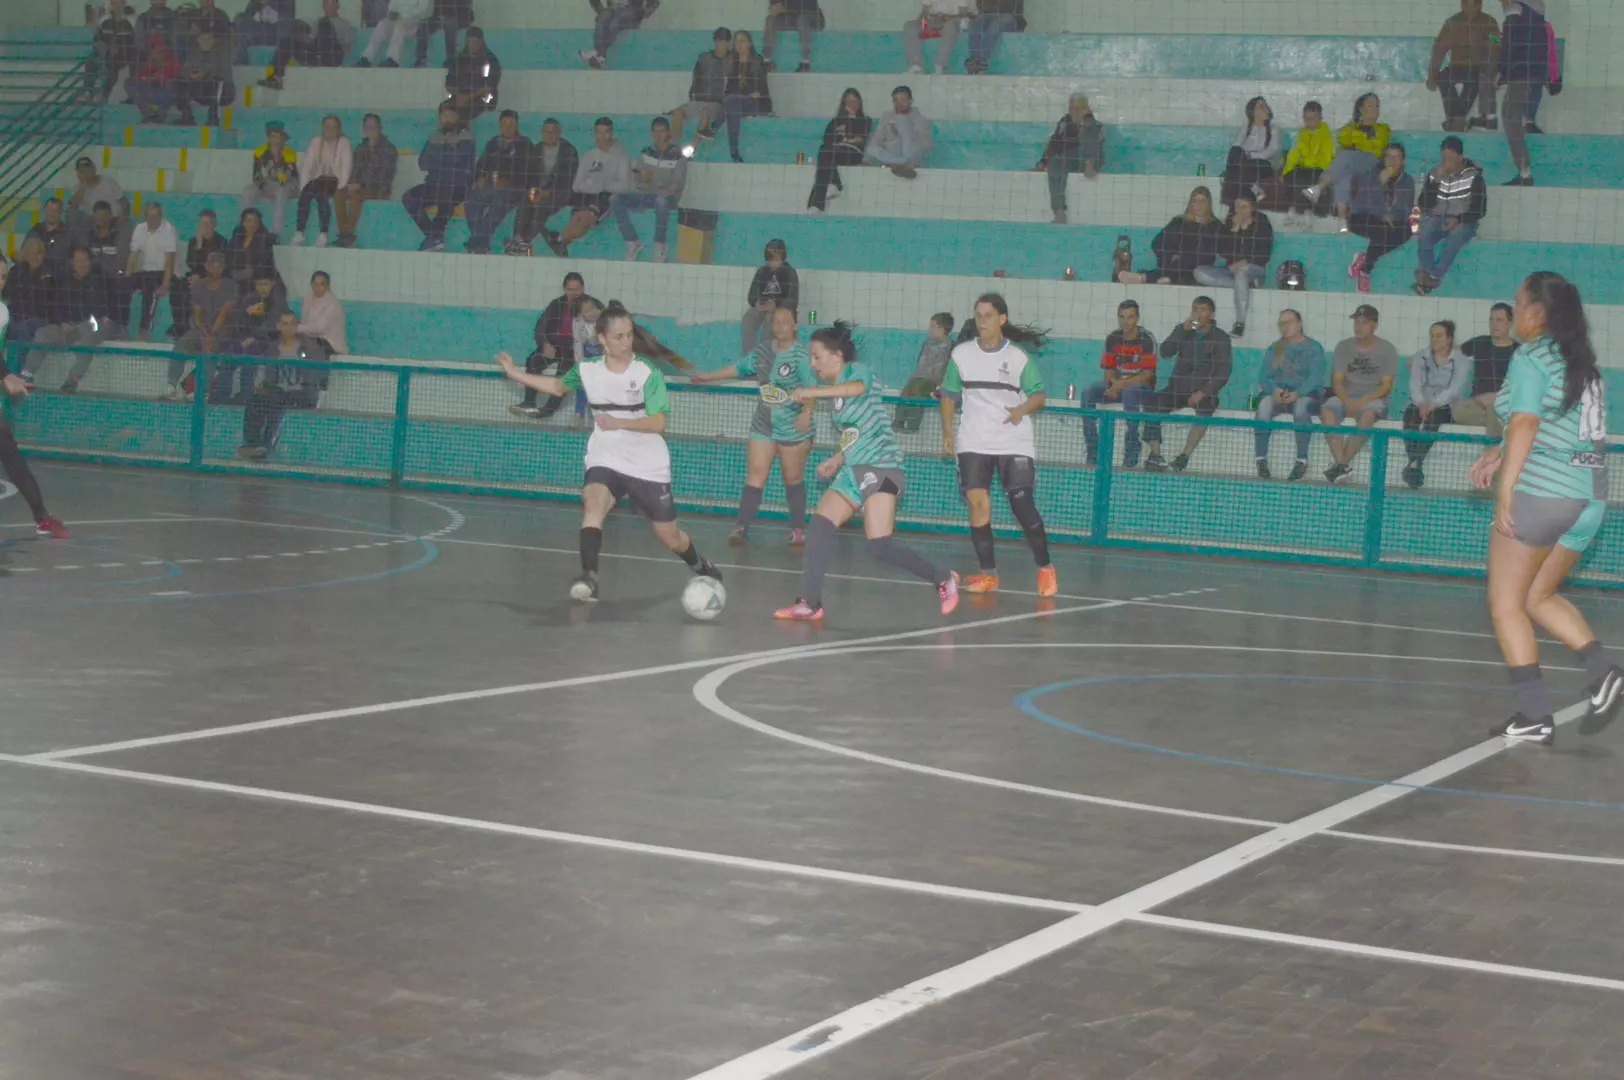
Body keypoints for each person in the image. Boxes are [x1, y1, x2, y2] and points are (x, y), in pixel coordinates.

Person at [1472, 271, 1622, 744]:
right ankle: (1603, 672)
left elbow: (1526, 423)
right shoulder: (1582, 363)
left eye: (1518, 305)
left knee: (1505, 603)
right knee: (1537, 595)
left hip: (1543, 493)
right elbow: (1557, 424)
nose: (1514, 314)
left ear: (1537, 312)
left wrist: (1506, 488)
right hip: (1590, 495)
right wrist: (1497, 452)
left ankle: (1536, 715)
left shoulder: (1532, 355)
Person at [494, 301, 721, 602]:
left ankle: (700, 564)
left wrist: (619, 421)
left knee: (670, 537)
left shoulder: (646, 373)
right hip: (606, 455)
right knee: (593, 504)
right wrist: (515, 374)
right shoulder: (587, 370)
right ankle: (590, 578)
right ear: (601, 338)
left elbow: (659, 422)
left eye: (629, 335)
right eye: (618, 337)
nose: (626, 342)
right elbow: (557, 386)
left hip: (647, 463)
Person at [776, 322, 959, 621]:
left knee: (879, 546)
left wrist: (811, 392)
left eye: (817, 357)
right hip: (852, 468)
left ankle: (942, 577)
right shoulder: (835, 398)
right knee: (820, 526)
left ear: (837, 356)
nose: (813, 364)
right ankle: (810, 603)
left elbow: (857, 390)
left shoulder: (858, 372)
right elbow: (856, 431)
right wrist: (837, 459)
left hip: (881, 464)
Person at [939, 294, 1056, 598]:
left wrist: (1020, 410)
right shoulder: (961, 355)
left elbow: (1038, 394)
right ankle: (987, 573)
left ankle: (1045, 566)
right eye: (978, 315)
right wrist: (948, 434)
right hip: (973, 439)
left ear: (1002, 319)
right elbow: (949, 395)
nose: (982, 321)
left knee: (1021, 504)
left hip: (1012, 440)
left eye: (988, 315)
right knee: (978, 504)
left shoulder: (1018, 358)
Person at [690, 305, 816, 546]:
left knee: (793, 477)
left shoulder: (801, 357)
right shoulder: (762, 352)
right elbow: (738, 368)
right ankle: (741, 527)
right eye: (776, 321)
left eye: (785, 321)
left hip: (792, 428)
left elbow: (811, 389)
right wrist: (707, 376)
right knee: (756, 474)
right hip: (763, 424)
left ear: (795, 325)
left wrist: (807, 413)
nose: (779, 326)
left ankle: (799, 529)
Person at [0, 254, 71, 540]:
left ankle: (42, 517)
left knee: (10, 454)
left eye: (3, 277)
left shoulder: (2, 313)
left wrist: (7, 375)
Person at [1141, 296, 1232, 473]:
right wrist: (1181, 331)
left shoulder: (1221, 338)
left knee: (1205, 411)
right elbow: (1166, 352)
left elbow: (1223, 372)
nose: (1198, 313)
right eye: (1195, 309)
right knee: (1152, 403)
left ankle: (1184, 456)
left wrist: (1203, 392)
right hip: (1178, 388)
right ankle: (1155, 454)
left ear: (1211, 314)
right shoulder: (1183, 331)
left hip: (1204, 392)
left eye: (1203, 309)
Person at [22, 247, 120, 393]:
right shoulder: (61, 282)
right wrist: (62, 322)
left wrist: (104, 317)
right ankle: (26, 376)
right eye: (78, 261)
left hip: (90, 324)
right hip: (66, 327)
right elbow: (52, 307)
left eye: (85, 260)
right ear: (72, 263)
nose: (82, 264)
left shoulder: (100, 282)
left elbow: (106, 307)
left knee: (90, 334)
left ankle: (72, 380)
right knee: (43, 333)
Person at [1322, 304, 1399, 484]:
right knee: (1327, 411)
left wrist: (1362, 400)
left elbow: (1386, 386)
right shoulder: (1343, 347)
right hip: (1345, 396)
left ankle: (1340, 464)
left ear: (1375, 325)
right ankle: (1342, 466)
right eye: (1356, 322)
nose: (1358, 327)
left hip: (1372, 398)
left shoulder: (1387, 349)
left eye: (1364, 323)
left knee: (1367, 416)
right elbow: (1337, 382)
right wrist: (1347, 400)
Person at [238, 309, 328, 459]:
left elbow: (322, 371)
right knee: (255, 401)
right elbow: (267, 373)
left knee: (277, 403)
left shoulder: (310, 347)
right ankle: (251, 443)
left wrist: (309, 383)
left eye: (292, 324)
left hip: (302, 393)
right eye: (285, 324)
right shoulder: (273, 348)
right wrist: (263, 385)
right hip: (278, 391)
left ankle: (266, 446)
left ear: (297, 325)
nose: (288, 328)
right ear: (279, 326)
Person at [1253, 309, 1327, 480]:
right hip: (1280, 393)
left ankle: (1302, 459)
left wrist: (1298, 393)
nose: (1284, 327)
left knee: (1301, 408)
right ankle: (1260, 459)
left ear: (1299, 324)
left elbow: (1315, 378)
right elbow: (1263, 377)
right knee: (1264, 405)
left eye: (1289, 322)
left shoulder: (1314, 348)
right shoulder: (1275, 348)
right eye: (1282, 323)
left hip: (1307, 394)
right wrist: (1274, 390)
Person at [1082, 299, 1157, 468]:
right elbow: (1108, 370)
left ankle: (1132, 450)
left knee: (1131, 392)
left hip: (1141, 388)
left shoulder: (1146, 339)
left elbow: (1146, 375)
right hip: (1118, 385)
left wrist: (1118, 385)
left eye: (1129, 317)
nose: (1125, 321)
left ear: (1137, 318)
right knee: (1088, 393)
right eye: (1121, 317)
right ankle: (1094, 450)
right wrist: (1113, 384)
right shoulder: (1113, 338)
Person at [1401, 319, 1473, 489]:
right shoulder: (1421, 356)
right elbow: (1414, 384)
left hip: (1445, 406)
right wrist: (1420, 403)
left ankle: (1414, 461)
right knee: (1409, 416)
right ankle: (1415, 464)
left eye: (1439, 336)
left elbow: (1454, 390)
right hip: (1421, 404)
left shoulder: (1461, 361)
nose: (1434, 339)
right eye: (1432, 336)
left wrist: (1432, 404)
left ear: (1449, 339)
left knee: (1434, 419)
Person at [1414, 135, 1486, 296]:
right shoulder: (1434, 174)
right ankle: (1425, 275)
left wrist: (1458, 219)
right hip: (1438, 218)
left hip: (1464, 221)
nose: (1447, 162)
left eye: (1451, 157)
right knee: (1424, 233)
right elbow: (1423, 204)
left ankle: (1434, 276)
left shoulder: (1474, 177)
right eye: (1444, 157)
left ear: (1461, 158)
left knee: (1455, 237)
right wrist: (1435, 182)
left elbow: (1480, 209)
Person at [1303, 93, 1390, 228]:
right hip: (1352, 166)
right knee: (1344, 176)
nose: (1375, 109)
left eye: (1377, 106)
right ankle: (1343, 223)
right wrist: (1361, 141)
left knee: (1346, 156)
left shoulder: (1383, 128)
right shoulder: (1351, 127)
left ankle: (1319, 187)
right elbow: (1343, 138)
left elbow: (1377, 147)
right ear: (1361, 109)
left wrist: (1357, 142)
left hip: (1371, 163)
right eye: (1371, 105)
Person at [549, 117, 629, 257]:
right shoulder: (588, 156)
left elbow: (624, 186)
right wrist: (591, 185)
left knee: (585, 218)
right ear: (595, 134)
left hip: (604, 197)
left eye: (606, 132)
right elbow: (576, 185)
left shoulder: (620, 157)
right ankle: (561, 242)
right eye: (599, 132)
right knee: (577, 217)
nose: (602, 137)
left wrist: (603, 184)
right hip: (585, 195)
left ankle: (559, 238)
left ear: (611, 134)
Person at [1195, 193, 1272, 338]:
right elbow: (1223, 251)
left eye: (1244, 207)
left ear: (1252, 208)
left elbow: (1265, 253)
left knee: (1242, 272)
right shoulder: (1230, 222)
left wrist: (1245, 261)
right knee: (1199, 272)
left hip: (1254, 270)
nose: (1240, 211)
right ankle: (1243, 285)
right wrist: (1235, 229)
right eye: (1237, 207)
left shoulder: (1262, 222)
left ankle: (1240, 323)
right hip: (1231, 271)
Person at [510, 273, 587, 418]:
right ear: (565, 289)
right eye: (570, 290)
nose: (573, 293)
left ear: (582, 289)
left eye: (576, 289)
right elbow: (541, 327)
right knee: (533, 361)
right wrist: (545, 344)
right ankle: (529, 402)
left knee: (563, 373)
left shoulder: (590, 305)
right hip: (555, 346)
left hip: (575, 350)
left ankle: (549, 409)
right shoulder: (556, 304)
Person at [612, 116, 686, 263]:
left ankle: (660, 245)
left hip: (668, 198)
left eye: (662, 131)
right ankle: (632, 241)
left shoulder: (678, 156)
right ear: (652, 133)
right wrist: (646, 182)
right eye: (655, 131)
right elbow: (638, 181)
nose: (659, 135)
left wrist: (653, 185)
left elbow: (676, 183)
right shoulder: (645, 153)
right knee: (615, 199)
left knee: (661, 201)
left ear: (668, 133)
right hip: (647, 194)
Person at [402, 102, 474, 251]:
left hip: (458, 186)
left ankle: (434, 237)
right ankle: (434, 237)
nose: (447, 119)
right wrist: (447, 156)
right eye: (444, 115)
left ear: (457, 117)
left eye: (451, 115)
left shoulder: (466, 137)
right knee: (409, 198)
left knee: (445, 195)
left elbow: (458, 162)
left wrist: (438, 158)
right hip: (434, 184)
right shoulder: (434, 136)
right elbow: (423, 163)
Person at [463, 109, 536, 255]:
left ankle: (480, 241)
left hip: (516, 188)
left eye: (511, 124)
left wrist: (508, 179)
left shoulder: (526, 145)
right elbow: (482, 164)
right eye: (504, 124)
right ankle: (479, 240)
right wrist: (480, 177)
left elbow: (530, 173)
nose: (507, 127)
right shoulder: (494, 143)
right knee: (471, 197)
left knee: (500, 198)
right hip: (492, 186)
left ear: (517, 125)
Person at [1346, 142, 1415, 294]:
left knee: (1407, 231)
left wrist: (1391, 216)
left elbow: (1406, 208)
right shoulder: (1370, 175)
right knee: (1381, 231)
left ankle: (1364, 260)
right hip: (1362, 217)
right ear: (1383, 159)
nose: (1392, 161)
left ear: (1403, 161)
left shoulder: (1408, 181)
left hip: (1389, 221)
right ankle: (1365, 272)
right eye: (1389, 156)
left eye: (1397, 157)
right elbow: (1362, 204)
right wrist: (1379, 184)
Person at [1117, 187, 1220, 286]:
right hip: (1173, 264)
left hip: (1197, 267)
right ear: (1190, 204)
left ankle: (1146, 277)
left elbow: (1210, 251)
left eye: (1202, 201)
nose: (1199, 205)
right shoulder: (1178, 222)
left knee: (1190, 256)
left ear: (1208, 204)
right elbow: (1157, 242)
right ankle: (1165, 276)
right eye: (1195, 201)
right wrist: (1172, 254)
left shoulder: (1214, 226)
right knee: (1174, 256)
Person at [508, 118, 579, 256]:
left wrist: (546, 192)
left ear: (559, 133)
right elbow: (530, 175)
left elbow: (568, 180)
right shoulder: (537, 149)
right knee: (525, 201)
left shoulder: (569, 151)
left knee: (542, 205)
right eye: (546, 132)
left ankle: (525, 241)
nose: (549, 135)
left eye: (553, 132)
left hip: (559, 194)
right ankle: (517, 238)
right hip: (538, 191)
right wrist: (535, 191)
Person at [170, 250, 236, 397]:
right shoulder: (199, 285)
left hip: (222, 332)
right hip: (201, 331)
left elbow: (223, 313)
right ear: (207, 266)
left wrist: (211, 334)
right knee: (182, 342)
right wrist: (204, 332)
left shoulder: (230, 286)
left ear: (223, 268)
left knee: (209, 350)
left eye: (219, 266)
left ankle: (202, 390)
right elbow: (197, 312)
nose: (215, 269)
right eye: (212, 265)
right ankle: (171, 384)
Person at [1429, 0, 1500, 132]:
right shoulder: (1452, 23)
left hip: (1478, 65)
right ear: (1462, 5)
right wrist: (1432, 75)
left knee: (1473, 81)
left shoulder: (1488, 22)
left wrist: (1491, 41)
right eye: (1467, 4)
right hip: (1457, 65)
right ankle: (1455, 118)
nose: (1470, 9)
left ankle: (1456, 121)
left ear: (1480, 5)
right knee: (1443, 78)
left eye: (1474, 5)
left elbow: (1497, 42)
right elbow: (1440, 49)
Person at [1499, 0, 1549, 186]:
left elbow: (1509, 42)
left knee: (1510, 118)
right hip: (1534, 72)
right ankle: (1524, 171)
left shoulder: (1515, 10)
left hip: (1521, 73)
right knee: (1514, 117)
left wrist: (1502, 70)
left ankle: (1525, 172)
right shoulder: (1536, 14)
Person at [1036, 92, 1104, 225]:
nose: (1073, 112)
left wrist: (1086, 123)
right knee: (1055, 164)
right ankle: (1059, 211)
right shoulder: (1065, 122)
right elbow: (1054, 143)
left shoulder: (1096, 125)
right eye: (1071, 108)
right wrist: (1043, 162)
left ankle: (1089, 164)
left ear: (1085, 109)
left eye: (1077, 109)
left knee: (1089, 136)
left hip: (1092, 158)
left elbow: (1097, 146)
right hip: (1072, 159)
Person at [335, 113, 397, 248]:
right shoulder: (361, 148)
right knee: (339, 194)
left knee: (356, 196)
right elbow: (355, 169)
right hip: (359, 186)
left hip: (379, 188)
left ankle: (348, 234)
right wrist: (351, 183)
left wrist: (360, 184)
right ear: (364, 129)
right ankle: (343, 233)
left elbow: (385, 175)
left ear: (380, 128)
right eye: (368, 127)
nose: (371, 130)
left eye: (374, 127)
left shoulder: (388, 148)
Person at [261, 0, 354, 89]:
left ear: (337, 6)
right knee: (287, 42)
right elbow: (311, 41)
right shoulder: (318, 21)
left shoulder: (344, 24)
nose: (326, 6)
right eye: (325, 4)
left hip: (332, 56)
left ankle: (323, 57)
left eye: (330, 3)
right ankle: (276, 78)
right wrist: (298, 38)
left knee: (325, 23)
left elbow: (347, 48)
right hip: (315, 56)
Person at [1455, 302, 1516, 436]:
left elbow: (1522, 385)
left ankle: (1493, 452)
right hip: (1477, 405)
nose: (1495, 324)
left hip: (1505, 404)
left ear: (1510, 323)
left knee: (1496, 410)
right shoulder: (1479, 343)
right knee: (1457, 411)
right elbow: (1449, 352)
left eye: (1499, 320)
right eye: (1491, 320)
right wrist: (1421, 357)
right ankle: (1497, 422)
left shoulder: (1519, 351)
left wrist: (1496, 398)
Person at [292, 115, 353, 248]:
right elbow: (307, 164)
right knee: (306, 193)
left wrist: (341, 187)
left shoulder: (344, 142)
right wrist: (303, 185)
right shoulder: (316, 141)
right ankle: (299, 231)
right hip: (319, 178)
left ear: (339, 129)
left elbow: (346, 167)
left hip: (335, 180)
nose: (330, 130)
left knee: (322, 194)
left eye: (333, 127)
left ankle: (324, 233)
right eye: (327, 127)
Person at [807, 88, 871, 213]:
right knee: (825, 155)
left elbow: (860, 138)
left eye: (855, 102)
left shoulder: (865, 120)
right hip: (835, 153)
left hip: (852, 154)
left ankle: (817, 202)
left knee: (824, 158)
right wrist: (842, 132)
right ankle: (832, 186)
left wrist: (844, 136)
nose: (852, 105)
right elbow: (827, 140)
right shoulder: (835, 121)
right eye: (849, 102)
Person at [1, 240, 57, 378]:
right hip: (17, 317)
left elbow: (55, 301)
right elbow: (7, 295)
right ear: (26, 254)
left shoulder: (50, 274)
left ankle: (14, 374)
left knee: (23, 330)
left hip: (40, 319)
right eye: (33, 253)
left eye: (40, 253)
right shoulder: (16, 271)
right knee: (13, 328)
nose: (36, 257)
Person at [893, 311, 954, 434]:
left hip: (934, 380)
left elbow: (945, 368)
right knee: (907, 390)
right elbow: (921, 362)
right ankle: (898, 420)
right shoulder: (928, 344)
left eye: (933, 327)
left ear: (942, 329)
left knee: (918, 391)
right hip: (919, 377)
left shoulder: (950, 346)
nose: (930, 330)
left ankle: (913, 424)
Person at [125, 200, 177, 341]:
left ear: (161, 216)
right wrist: (127, 277)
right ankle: (121, 326)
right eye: (150, 216)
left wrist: (165, 284)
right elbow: (133, 257)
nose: (153, 220)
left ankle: (144, 329)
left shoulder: (168, 230)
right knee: (121, 286)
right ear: (145, 216)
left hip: (162, 272)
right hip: (145, 272)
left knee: (149, 287)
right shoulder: (139, 229)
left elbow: (170, 261)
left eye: (156, 216)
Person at [670, 28, 731, 143]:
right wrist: (693, 98)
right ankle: (674, 146)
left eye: (724, 41)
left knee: (705, 114)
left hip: (717, 103)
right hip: (700, 100)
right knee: (677, 112)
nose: (721, 44)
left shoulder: (733, 59)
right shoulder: (704, 58)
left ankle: (692, 149)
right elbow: (696, 80)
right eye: (719, 41)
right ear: (715, 42)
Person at [1221, 96, 1281, 210]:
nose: (1265, 108)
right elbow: (1235, 147)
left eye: (1265, 105)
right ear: (1252, 112)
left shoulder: (1274, 129)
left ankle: (1228, 198)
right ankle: (1253, 187)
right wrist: (1243, 157)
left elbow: (1271, 150)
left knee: (1238, 169)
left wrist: (1249, 156)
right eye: (1260, 106)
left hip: (1263, 164)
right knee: (1235, 152)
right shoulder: (1246, 128)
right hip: (1245, 163)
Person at [74, 202, 131, 320]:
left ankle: (118, 326)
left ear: (110, 215)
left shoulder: (118, 234)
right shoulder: (89, 234)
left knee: (120, 286)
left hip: (112, 275)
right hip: (94, 275)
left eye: (105, 215)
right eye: (99, 215)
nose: (102, 219)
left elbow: (122, 256)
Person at [241, 120, 299, 237]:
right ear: (269, 138)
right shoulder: (260, 152)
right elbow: (256, 175)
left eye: (279, 138)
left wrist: (278, 157)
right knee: (248, 191)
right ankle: (245, 226)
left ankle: (275, 232)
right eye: (273, 137)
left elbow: (291, 177)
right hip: (268, 183)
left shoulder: (289, 153)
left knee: (280, 193)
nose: (277, 141)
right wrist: (264, 187)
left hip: (287, 184)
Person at [722, 30, 772, 164]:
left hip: (755, 104)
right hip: (737, 103)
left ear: (749, 43)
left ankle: (716, 127)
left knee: (733, 103)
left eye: (743, 40)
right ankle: (734, 151)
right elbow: (729, 90)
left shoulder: (757, 60)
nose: (739, 44)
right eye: (737, 41)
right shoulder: (731, 63)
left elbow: (760, 88)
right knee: (732, 102)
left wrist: (744, 95)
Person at [863, 85, 932, 180]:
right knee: (871, 149)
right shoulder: (886, 117)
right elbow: (876, 140)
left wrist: (903, 129)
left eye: (902, 100)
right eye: (895, 100)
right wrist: (866, 160)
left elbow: (925, 145)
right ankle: (901, 163)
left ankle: (903, 164)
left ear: (910, 101)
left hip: (911, 156)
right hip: (893, 158)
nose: (899, 103)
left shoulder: (920, 119)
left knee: (903, 120)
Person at [741, 239, 798, 353]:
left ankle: (766, 355)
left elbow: (793, 299)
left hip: (780, 308)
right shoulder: (762, 271)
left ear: (782, 258)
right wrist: (756, 303)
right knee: (748, 320)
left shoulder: (789, 273)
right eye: (771, 260)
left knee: (770, 321)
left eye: (776, 260)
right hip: (762, 307)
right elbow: (752, 295)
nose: (773, 264)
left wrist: (776, 304)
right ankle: (749, 357)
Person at [173, 25, 232, 127]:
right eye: (202, 38)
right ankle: (187, 115)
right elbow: (185, 68)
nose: (206, 42)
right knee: (178, 83)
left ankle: (213, 118)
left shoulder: (221, 51)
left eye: (209, 38)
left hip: (221, 91)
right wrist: (190, 75)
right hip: (199, 87)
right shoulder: (194, 51)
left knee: (216, 82)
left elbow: (219, 71)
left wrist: (203, 73)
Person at [580, 0, 660, 70]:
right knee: (602, 18)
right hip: (612, 10)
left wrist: (642, 13)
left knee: (615, 22)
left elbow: (655, 2)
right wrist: (600, 10)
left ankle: (598, 53)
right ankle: (600, 54)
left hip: (631, 13)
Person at [443, 26, 500, 123]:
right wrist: (459, 95)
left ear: (481, 42)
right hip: (460, 98)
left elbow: (489, 87)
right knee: (444, 109)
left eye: (474, 42)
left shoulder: (491, 61)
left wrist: (468, 97)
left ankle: (463, 133)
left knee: (464, 111)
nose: (472, 45)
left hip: (481, 100)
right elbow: (449, 84)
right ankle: (448, 134)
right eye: (469, 42)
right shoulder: (460, 60)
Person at [355, 0, 432, 68]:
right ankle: (366, 58)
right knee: (381, 26)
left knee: (399, 26)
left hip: (414, 24)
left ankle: (393, 59)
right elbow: (391, 8)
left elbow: (423, 12)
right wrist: (393, 15)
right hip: (397, 21)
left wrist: (404, 17)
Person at [905, 0, 971, 75]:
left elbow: (963, 13)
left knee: (950, 26)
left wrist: (946, 17)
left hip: (952, 20)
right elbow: (925, 12)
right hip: (934, 20)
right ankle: (917, 65)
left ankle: (940, 65)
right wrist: (922, 24)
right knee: (910, 26)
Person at [90, 0, 137, 103]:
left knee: (114, 70)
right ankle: (89, 92)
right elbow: (97, 41)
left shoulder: (129, 24)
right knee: (91, 62)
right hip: (106, 58)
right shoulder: (105, 23)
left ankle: (105, 96)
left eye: (117, 3)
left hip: (123, 59)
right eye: (112, 4)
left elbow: (133, 45)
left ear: (123, 4)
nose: (114, 6)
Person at [128, 33, 180, 124]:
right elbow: (140, 75)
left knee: (169, 87)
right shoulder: (151, 59)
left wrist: (154, 78)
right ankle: (149, 112)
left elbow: (168, 75)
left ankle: (159, 115)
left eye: (158, 48)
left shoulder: (172, 60)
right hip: (149, 89)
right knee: (129, 83)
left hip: (166, 90)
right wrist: (145, 78)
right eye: (153, 48)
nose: (155, 51)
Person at [965, 0, 1023, 75]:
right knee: (974, 24)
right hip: (988, 14)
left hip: (1009, 15)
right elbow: (980, 4)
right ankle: (974, 60)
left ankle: (982, 61)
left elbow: (1015, 7)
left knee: (995, 26)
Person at [226, 207, 277, 292]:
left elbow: (265, 266)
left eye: (255, 221)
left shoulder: (265, 239)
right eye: (249, 221)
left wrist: (246, 273)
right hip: (235, 277)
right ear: (243, 222)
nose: (252, 224)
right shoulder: (237, 236)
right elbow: (229, 257)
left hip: (255, 279)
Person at [764, 0, 823, 73]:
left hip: (813, 17)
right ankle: (766, 61)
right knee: (770, 20)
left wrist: (786, 7)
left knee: (802, 20)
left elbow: (808, 7)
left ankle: (806, 63)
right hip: (791, 17)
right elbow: (775, 9)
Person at [297, 270, 348, 354]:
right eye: (315, 284)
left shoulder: (333, 303)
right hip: (314, 343)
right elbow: (304, 321)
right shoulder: (308, 298)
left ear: (327, 286)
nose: (317, 287)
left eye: (321, 284)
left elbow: (319, 328)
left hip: (332, 347)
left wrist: (295, 328)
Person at [412, 0, 472, 69]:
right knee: (423, 26)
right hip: (438, 16)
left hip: (456, 17)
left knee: (450, 26)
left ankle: (451, 59)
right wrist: (438, 16)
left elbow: (464, 7)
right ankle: (421, 59)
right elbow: (433, 8)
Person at [68, 158, 127, 226]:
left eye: (88, 169)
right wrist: (84, 184)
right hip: (96, 225)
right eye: (83, 171)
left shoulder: (108, 181)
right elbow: (73, 206)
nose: (86, 173)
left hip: (115, 220)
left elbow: (124, 202)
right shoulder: (77, 189)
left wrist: (123, 219)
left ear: (94, 169)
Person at [26, 199, 74, 272]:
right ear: (45, 211)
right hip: (36, 274)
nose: (52, 213)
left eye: (56, 210)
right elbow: (25, 252)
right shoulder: (35, 230)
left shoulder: (69, 233)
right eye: (50, 210)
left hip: (61, 276)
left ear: (61, 212)